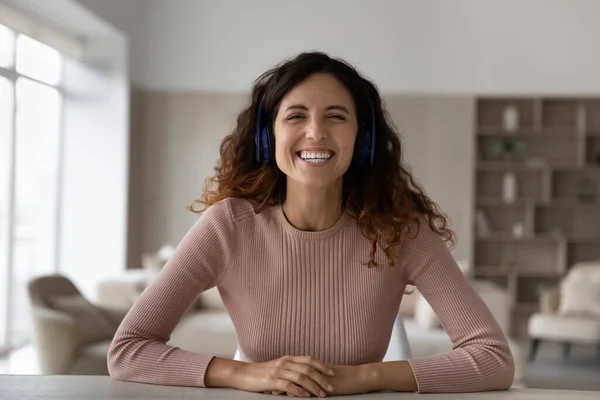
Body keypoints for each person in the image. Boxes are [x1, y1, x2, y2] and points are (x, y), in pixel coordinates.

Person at [108, 52, 514, 396]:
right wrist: (247, 373)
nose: (316, 132)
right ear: (269, 137)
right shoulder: (228, 226)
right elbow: (128, 350)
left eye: (336, 117)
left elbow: (493, 357)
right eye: (296, 116)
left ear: (362, 139)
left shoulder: (401, 230)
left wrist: (364, 377)